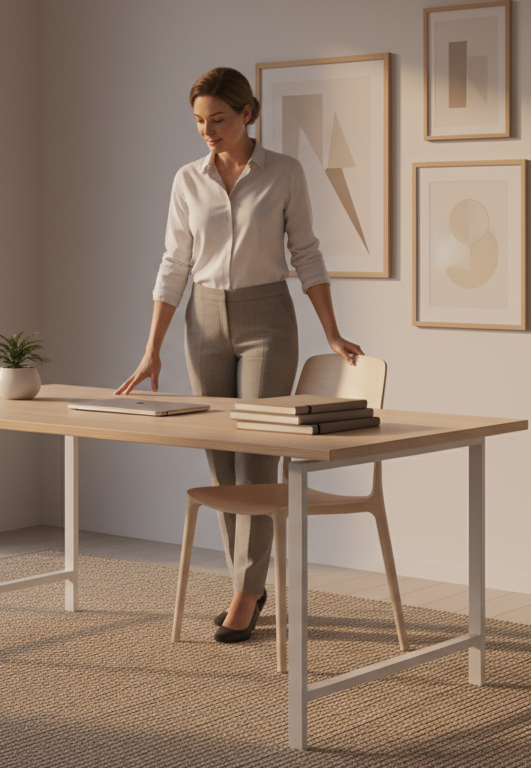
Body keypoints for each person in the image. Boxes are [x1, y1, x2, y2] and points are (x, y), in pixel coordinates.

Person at [115, 67, 363, 643]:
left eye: (219, 119)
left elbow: (306, 253)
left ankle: (246, 591)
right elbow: (174, 263)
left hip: (267, 320)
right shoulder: (187, 180)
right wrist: (151, 347)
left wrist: (331, 332)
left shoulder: (285, 173)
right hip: (202, 321)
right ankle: (245, 583)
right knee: (221, 457)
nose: (208, 131)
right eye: (200, 121)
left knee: (258, 454)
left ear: (248, 113)